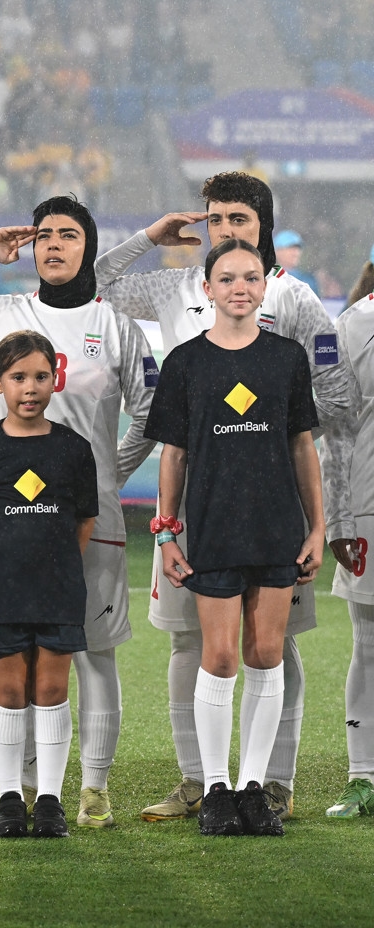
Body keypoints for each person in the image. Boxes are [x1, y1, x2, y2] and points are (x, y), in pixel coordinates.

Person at [94, 172, 357, 821]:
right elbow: (95, 287)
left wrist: (268, 432)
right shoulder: (174, 286)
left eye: (238, 218)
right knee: (194, 645)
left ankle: (271, 783)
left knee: (274, 648)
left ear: (263, 225)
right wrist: (148, 238)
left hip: (271, 512)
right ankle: (198, 781)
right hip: (197, 511)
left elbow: (339, 397)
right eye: (214, 220)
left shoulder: (294, 301)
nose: (226, 230)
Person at [0, 195, 157, 828]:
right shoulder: (2, 311)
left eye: (68, 235)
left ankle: (92, 789)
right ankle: (18, 790)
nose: (52, 245)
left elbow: (153, 415)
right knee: (16, 662)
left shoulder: (118, 325)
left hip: (87, 520)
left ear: (88, 248)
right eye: (43, 234)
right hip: (15, 522)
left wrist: (111, 475)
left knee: (93, 653)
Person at [144, 238, 324, 837]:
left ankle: (253, 789)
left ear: (264, 287)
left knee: (265, 654)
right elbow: (173, 454)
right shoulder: (186, 363)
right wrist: (168, 533)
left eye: (250, 277)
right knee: (219, 657)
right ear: (208, 288)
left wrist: (317, 527)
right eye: (227, 278)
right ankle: (216, 789)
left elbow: (302, 447)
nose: (239, 288)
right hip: (213, 527)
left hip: (276, 528)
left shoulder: (287, 358)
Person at [0, 330, 98, 838]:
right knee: (10, 692)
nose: (30, 388)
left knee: (53, 689)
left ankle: (52, 799)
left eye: (40, 376)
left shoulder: (73, 450)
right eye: (18, 378)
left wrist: (54, 566)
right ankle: (11, 795)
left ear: (55, 379)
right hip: (2, 592)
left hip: (58, 589)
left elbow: (82, 521)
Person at [319, 277, 374, 818]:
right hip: (369, 507)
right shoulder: (355, 324)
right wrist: (339, 519)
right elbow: (335, 430)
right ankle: (363, 778)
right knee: (370, 644)